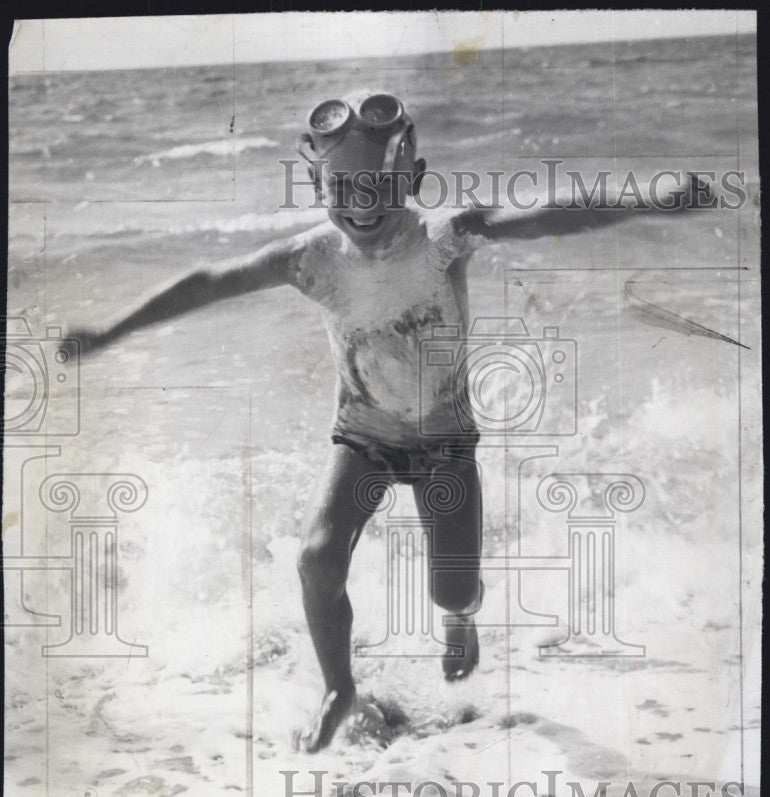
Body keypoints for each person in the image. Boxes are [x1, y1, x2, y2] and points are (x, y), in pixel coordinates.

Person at [72, 91, 714, 752]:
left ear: (413, 177)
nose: (360, 202)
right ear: (317, 182)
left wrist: (649, 196)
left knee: (454, 585)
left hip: (445, 442)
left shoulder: (445, 236)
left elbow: (548, 211)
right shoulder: (311, 259)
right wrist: (113, 332)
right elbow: (208, 280)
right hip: (365, 437)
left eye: (378, 183)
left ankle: (460, 617)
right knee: (317, 559)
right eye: (341, 186)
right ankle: (337, 688)